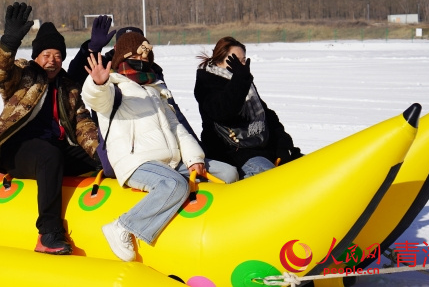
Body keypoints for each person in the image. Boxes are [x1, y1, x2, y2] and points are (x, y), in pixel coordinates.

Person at [81, 32, 238, 262]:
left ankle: (224, 228)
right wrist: (98, 83)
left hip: (170, 160)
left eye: (146, 57)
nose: (142, 61)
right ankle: (122, 226)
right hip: (136, 161)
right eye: (136, 57)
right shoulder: (113, 88)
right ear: (122, 58)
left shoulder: (155, 89)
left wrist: (194, 158)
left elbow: (175, 127)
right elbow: (96, 98)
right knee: (174, 185)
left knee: (228, 173)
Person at [0, 2, 100, 256]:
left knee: (99, 159)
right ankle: (48, 232)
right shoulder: (24, 75)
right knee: (49, 154)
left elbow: (82, 123)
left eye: (57, 56)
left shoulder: (68, 86)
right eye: (46, 55)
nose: (52, 61)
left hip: (53, 149)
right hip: (17, 150)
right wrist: (9, 42)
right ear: (36, 56)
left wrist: (102, 153)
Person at [67, 15, 198, 138]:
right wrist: (92, 50)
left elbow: (172, 110)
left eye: (137, 47)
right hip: (114, 137)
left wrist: (193, 142)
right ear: (116, 47)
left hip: (152, 136)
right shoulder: (104, 66)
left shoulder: (152, 72)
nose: (133, 53)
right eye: (125, 46)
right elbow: (74, 78)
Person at [194, 36, 302, 179]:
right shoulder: (207, 84)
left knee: (303, 166)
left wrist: (284, 145)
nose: (241, 65)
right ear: (219, 61)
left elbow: (266, 115)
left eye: (243, 60)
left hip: (262, 147)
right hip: (233, 153)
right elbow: (224, 112)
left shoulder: (244, 81)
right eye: (234, 61)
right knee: (271, 177)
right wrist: (240, 80)